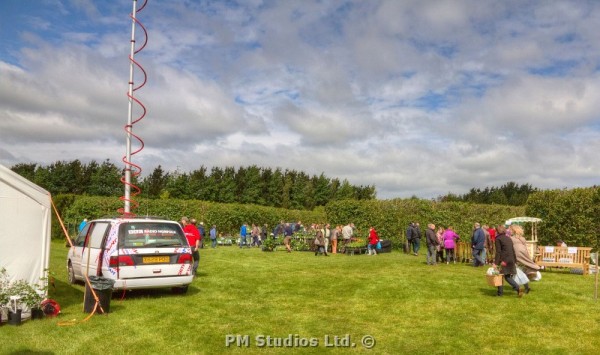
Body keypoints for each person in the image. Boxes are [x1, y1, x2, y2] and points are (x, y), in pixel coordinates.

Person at [510, 224, 543, 293]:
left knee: (517, 271)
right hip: (524, 255)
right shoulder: (523, 238)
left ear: (513, 230)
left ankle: (517, 286)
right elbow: (525, 248)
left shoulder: (511, 238)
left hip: (517, 256)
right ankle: (526, 287)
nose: (510, 231)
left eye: (510, 230)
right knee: (522, 271)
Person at [493, 225, 523, 297]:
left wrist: (496, 263)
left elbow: (498, 252)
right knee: (507, 277)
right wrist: (515, 261)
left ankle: (500, 294)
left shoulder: (498, 239)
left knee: (499, 276)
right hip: (511, 259)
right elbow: (513, 250)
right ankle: (518, 288)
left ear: (497, 231)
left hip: (503, 260)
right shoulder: (508, 238)